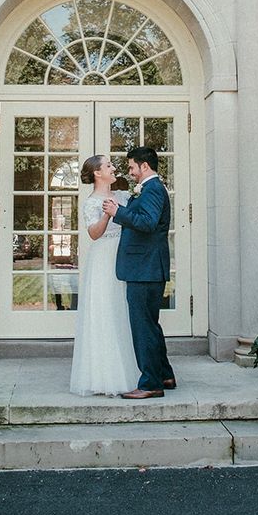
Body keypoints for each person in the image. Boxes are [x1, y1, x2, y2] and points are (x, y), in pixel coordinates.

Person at [103, 146, 177, 399]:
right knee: (150, 326)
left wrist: (118, 213)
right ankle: (164, 375)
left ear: (144, 166)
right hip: (145, 268)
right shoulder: (150, 189)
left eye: (132, 167)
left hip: (144, 269)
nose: (131, 172)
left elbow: (147, 222)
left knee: (143, 328)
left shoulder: (153, 189)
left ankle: (150, 384)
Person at [69, 155, 141, 395]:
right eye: (109, 165)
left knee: (123, 310)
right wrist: (108, 214)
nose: (114, 168)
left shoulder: (121, 196)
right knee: (105, 311)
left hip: (125, 255)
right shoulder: (91, 202)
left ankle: (132, 369)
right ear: (98, 173)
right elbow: (94, 234)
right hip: (103, 259)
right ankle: (104, 376)